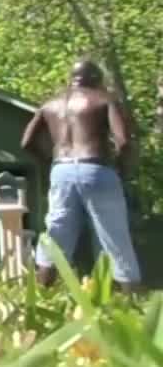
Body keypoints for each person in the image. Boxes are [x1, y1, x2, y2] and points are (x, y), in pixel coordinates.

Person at [21, 59, 141, 292]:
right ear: (96, 78)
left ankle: (41, 295)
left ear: (72, 79)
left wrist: (50, 162)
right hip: (96, 167)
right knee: (114, 235)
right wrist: (120, 168)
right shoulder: (104, 99)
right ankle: (131, 302)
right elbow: (124, 141)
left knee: (56, 234)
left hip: (61, 169)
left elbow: (26, 143)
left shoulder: (50, 105)